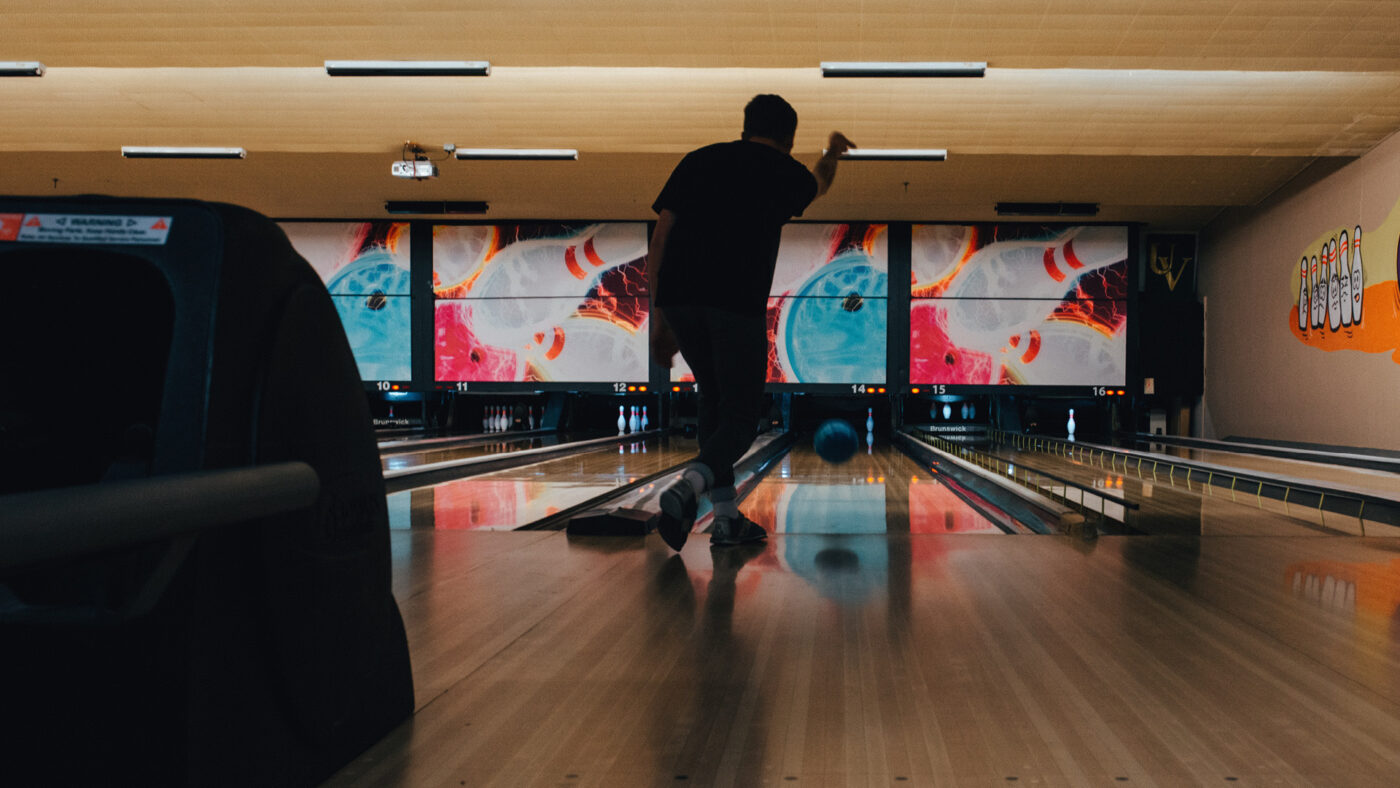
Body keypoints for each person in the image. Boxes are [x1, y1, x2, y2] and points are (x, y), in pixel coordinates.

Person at [647, 93, 854, 550]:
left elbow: (661, 237)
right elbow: (819, 182)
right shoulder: (783, 172)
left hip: (680, 300)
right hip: (734, 302)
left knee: (713, 403)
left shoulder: (698, 161)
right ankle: (689, 488)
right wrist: (832, 152)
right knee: (740, 417)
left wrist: (658, 320)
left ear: (745, 126)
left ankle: (725, 519)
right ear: (789, 137)